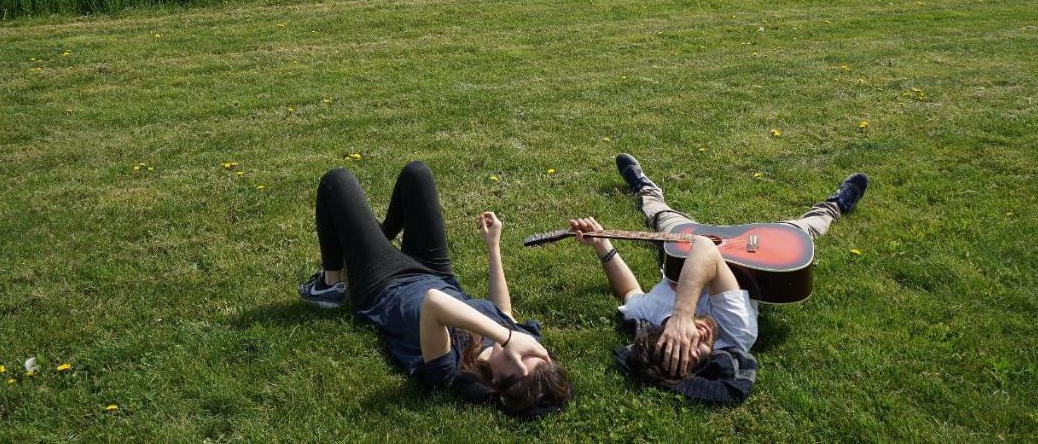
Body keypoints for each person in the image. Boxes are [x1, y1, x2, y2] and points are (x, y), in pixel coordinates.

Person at [567, 153, 868, 403]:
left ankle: (645, 188)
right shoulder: (737, 333)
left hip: (693, 243)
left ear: (661, 332)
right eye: (701, 355)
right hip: (752, 255)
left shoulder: (653, 314)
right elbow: (706, 250)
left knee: (663, 218)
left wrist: (602, 246)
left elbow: (630, 293)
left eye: (686, 345)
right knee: (799, 232)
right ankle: (835, 206)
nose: (701, 340)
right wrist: (685, 316)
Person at [299, 161, 572, 418]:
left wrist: (507, 337)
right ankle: (370, 241)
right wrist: (493, 247)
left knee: (337, 182)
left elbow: (434, 304)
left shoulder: (450, 371)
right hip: (437, 273)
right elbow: (502, 311)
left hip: (384, 285)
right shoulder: (511, 341)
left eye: (527, 356)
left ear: (499, 380)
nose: (531, 347)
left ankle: (330, 284)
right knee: (416, 175)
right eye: (541, 355)